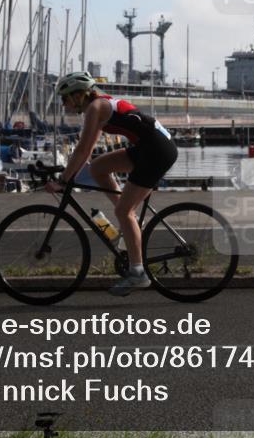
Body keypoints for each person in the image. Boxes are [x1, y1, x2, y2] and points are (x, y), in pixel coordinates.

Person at [45, 71, 178, 296]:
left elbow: (83, 150)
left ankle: (138, 273)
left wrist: (63, 180)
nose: (63, 104)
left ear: (78, 95)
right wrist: (68, 174)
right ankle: (130, 221)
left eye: (64, 98)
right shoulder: (99, 106)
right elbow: (87, 153)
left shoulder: (95, 108)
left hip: (157, 152)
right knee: (98, 168)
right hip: (148, 147)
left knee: (122, 211)